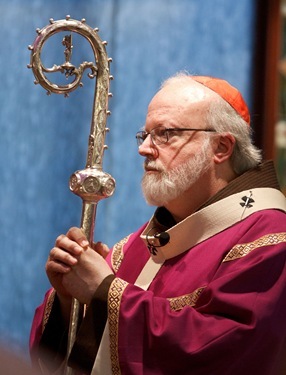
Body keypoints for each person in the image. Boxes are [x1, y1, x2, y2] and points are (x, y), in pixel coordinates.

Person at [30, 73, 286, 375]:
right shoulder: (141, 245)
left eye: (165, 134)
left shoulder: (268, 243)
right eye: (145, 135)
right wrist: (70, 301)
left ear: (221, 147)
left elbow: (221, 352)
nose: (144, 148)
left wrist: (103, 290)